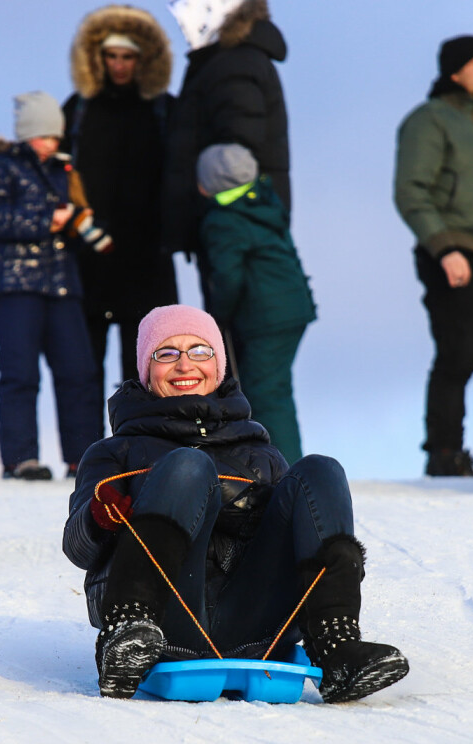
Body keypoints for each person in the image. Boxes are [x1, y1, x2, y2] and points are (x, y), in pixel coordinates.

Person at [63, 303, 408, 702]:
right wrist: (98, 519)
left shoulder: (260, 452)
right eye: (166, 353)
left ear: (219, 364)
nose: (184, 364)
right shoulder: (114, 451)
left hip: (256, 624)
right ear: (146, 369)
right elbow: (77, 547)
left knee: (321, 470)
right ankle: (127, 634)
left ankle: (336, 648)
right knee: (188, 465)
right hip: (165, 621)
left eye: (199, 351)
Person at [0, 91, 103, 480]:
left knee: (79, 371)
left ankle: (84, 459)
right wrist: (49, 218)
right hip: (13, 285)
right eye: (45, 134)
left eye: (56, 136)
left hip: (61, 284)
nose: (52, 142)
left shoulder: (64, 171)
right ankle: (20, 459)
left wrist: (80, 221)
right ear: (27, 132)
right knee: (20, 373)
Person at [394, 35, 473, 477]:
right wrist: (444, 249)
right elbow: (410, 192)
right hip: (450, 252)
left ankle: (451, 448)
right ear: (455, 69)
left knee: (468, 354)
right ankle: (444, 451)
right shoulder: (428, 120)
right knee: (454, 353)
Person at [62, 5, 179, 392]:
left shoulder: (165, 111)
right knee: (82, 374)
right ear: (97, 58)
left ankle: (144, 451)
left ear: (144, 59)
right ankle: (87, 454)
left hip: (148, 262)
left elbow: (184, 177)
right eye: (111, 56)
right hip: (88, 259)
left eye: (128, 57)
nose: (119, 65)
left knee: (146, 369)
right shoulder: (78, 111)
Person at [196, 143, 315, 463]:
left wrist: (217, 316)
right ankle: (278, 463)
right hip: (292, 306)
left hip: (266, 315)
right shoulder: (264, 201)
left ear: (209, 185)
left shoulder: (224, 220)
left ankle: (286, 469)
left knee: (266, 393)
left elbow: (228, 276)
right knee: (276, 388)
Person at [162, 0, 290, 281]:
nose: (182, 17)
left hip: (235, 230)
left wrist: (212, 209)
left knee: (233, 313)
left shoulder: (233, 65)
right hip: (237, 227)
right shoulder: (224, 62)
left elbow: (237, 156)